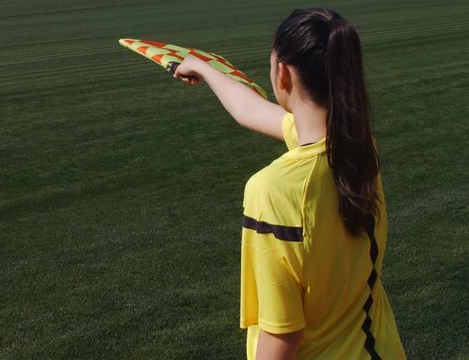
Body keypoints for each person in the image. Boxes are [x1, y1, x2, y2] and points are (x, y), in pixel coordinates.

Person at [173, 8, 406, 359]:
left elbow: (283, 336)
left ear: (282, 74)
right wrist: (205, 68)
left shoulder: (273, 191)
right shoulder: (357, 148)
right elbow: (250, 111)